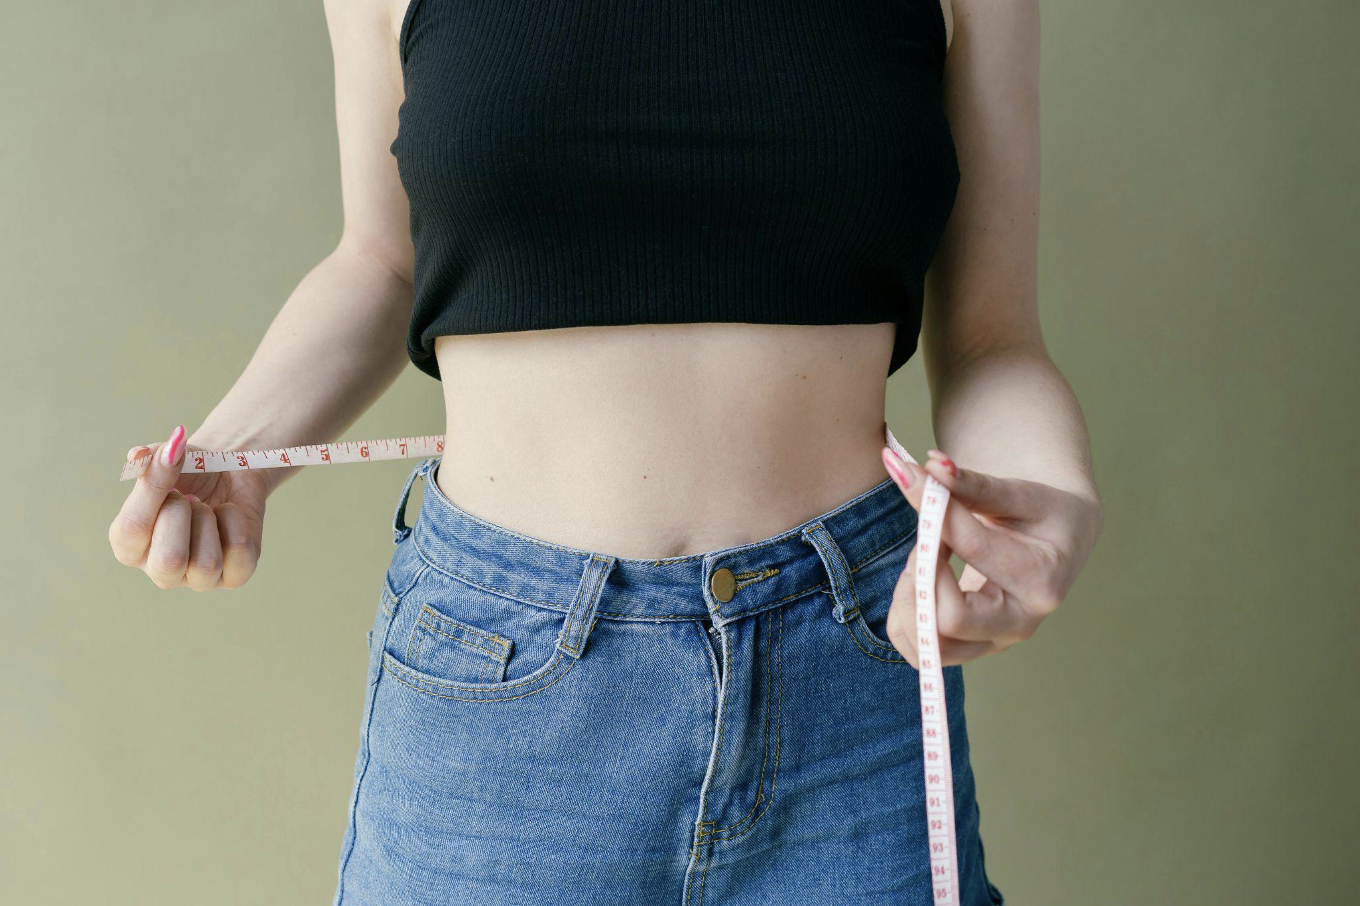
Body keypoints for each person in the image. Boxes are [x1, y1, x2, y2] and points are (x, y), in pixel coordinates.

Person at [108, 0, 1102, 903]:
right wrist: (239, 450)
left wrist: (1051, 504)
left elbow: (991, 339)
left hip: (851, 665)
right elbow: (379, 260)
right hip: (497, 680)